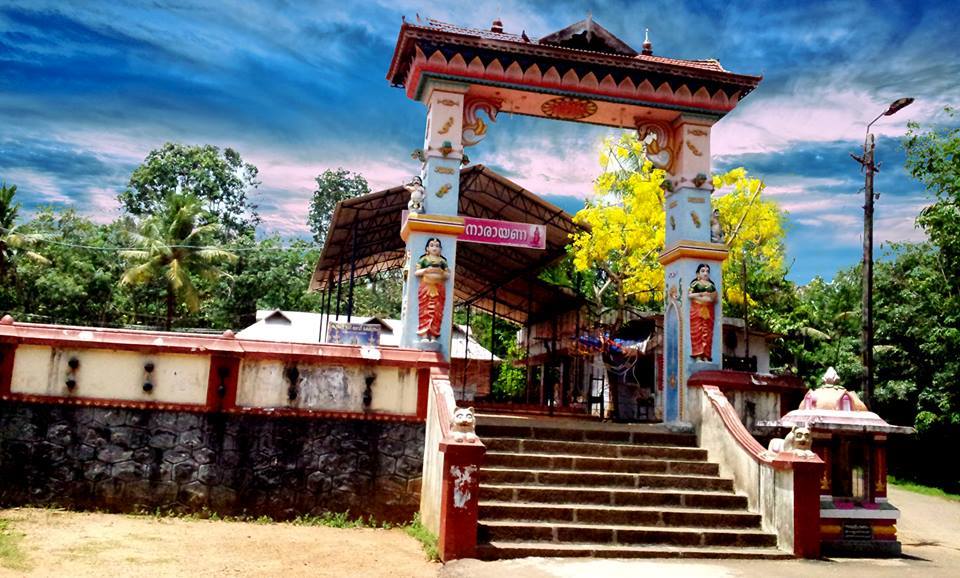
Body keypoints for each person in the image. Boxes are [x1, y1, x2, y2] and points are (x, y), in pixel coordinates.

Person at [415, 237, 449, 341]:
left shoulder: (442, 261)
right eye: (432, 245)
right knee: (424, 311)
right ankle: (424, 335)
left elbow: (448, 275)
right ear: (427, 249)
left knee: (436, 312)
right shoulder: (424, 260)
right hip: (426, 288)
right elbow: (416, 272)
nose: (434, 248)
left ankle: (434, 336)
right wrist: (426, 270)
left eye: (437, 246)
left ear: (440, 249)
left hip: (438, 289)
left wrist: (441, 272)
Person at [688, 263, 717, 361]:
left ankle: (706, 355)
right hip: (697, 310)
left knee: (707, 333)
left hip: (708, 311)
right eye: (703, 271)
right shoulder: (695, 284)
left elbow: (715, 298)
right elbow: (690, 295)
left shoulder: (711, 285)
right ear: (698, 274)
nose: (705, 273)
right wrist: (701, 294)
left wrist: (710, 297)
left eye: (707, 271)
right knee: (698, 332)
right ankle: (698, 355)